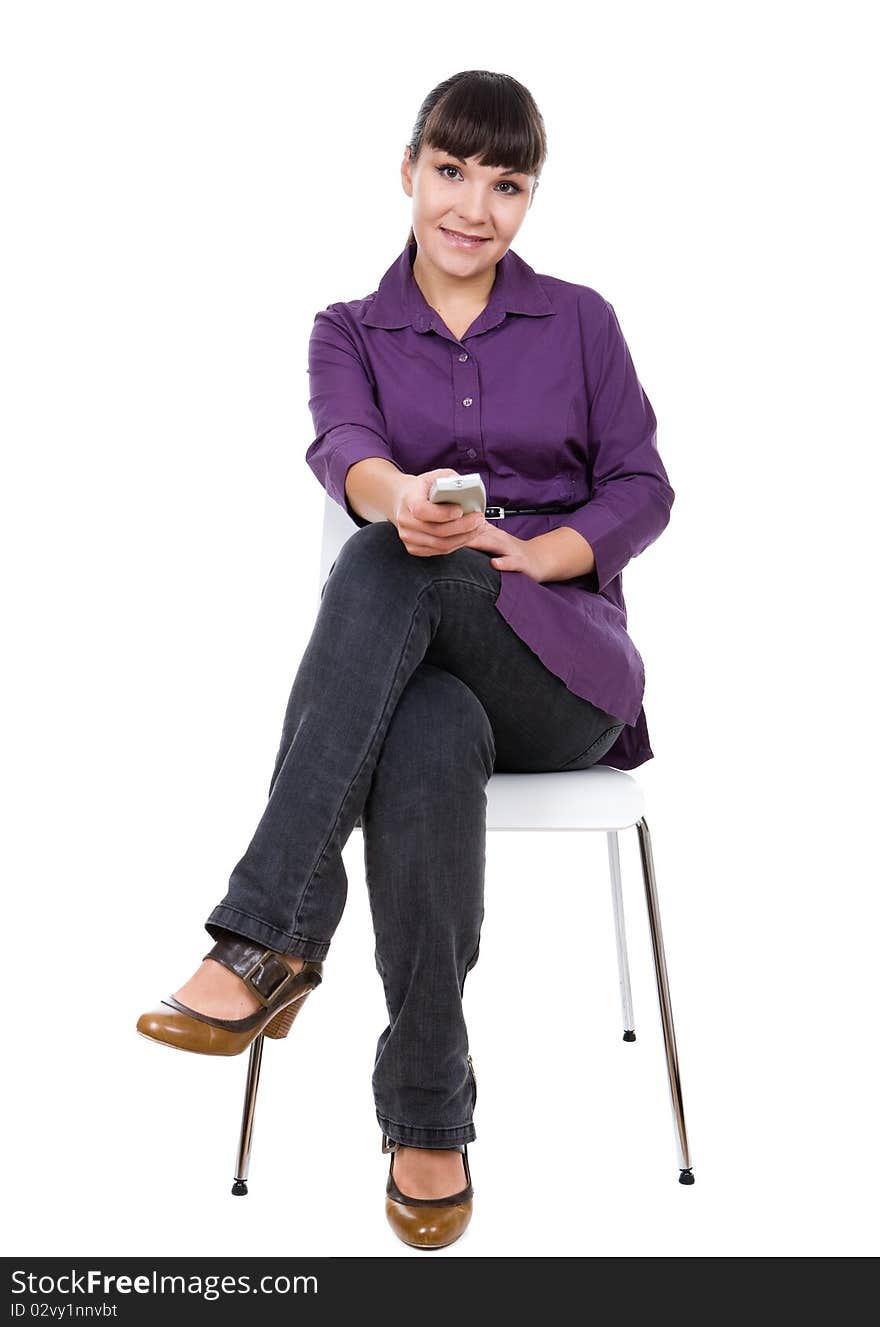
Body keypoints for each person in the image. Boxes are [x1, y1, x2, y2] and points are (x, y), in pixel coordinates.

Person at [136, 68, 675, 1251]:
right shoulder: (348, 329)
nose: (473, 207)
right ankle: (429, 1107)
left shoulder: (580, 318)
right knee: (417, 693)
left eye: (507, 183)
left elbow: (644, 484)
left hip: (565, 678)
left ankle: (267, 936)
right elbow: (345, 447)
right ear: (408, 169)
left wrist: (537, 557)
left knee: (386, 569)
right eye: (451, 171)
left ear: (530, 197)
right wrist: (399, 502)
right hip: (430, 669)